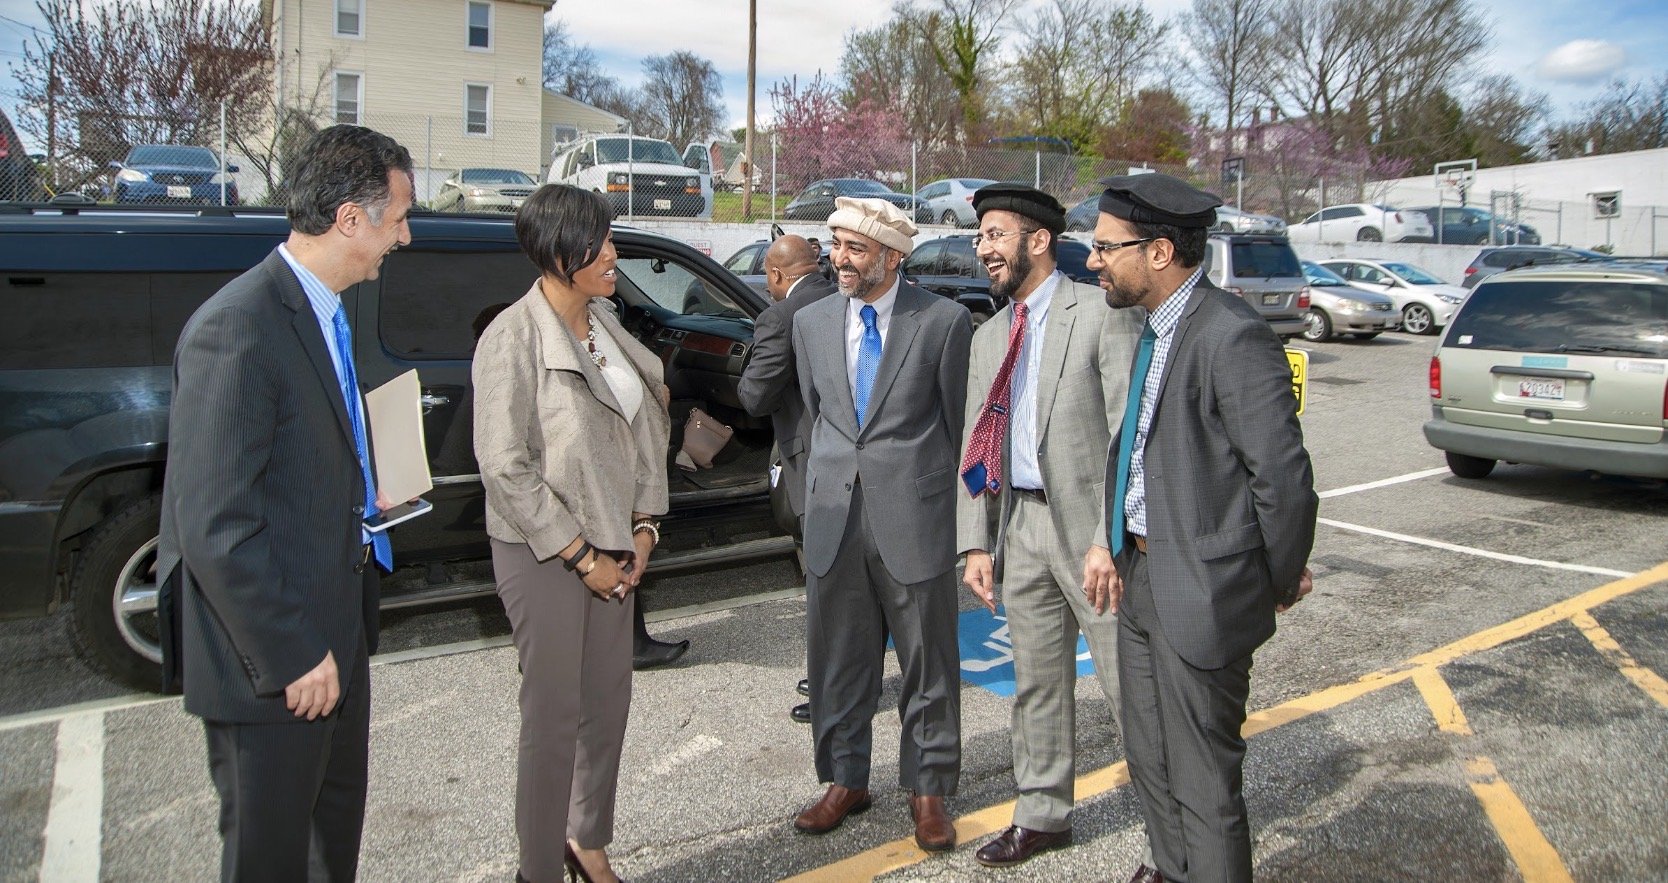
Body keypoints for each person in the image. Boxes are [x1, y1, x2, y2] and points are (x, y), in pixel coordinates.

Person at [155, 124, 413, 882]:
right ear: (349, 219)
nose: (405, 235)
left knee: (332, 850)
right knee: (269, 860)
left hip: (338, 632)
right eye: (398, 217)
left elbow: (303, 459)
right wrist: (293, 651)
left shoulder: (329, 311)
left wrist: (367, 491)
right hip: (274, 665)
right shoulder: (238, 326)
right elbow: (215, 523)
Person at [1087, 172, 1318, 883]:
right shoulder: (1153, 328)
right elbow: (1137, 451)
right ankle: (1171, 868)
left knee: (1205, 782)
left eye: (1104, 247)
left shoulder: (1231, 334)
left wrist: (1266, 582)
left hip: (1205, 591)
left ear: (1159, 251)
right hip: (1144, 576)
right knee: (1150, 760)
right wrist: (1115, 541)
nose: (1092, 260)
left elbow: (1283, 481)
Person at [472, 184, 671, 883]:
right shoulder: (512, 337)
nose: (614, 254)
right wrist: (580, 553)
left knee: (607, 701)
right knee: (554, 716)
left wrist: (644, 527)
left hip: (616, 542)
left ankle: (587, 839)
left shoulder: (608, 323)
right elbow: (504, 464)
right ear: (560, 255)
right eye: (601, 244)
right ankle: (537, 868)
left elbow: (644, 427)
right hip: (543, 551)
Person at [953, 184, 1143, 868]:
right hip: (1021, 528)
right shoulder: (987, 337)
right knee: (1035, 681)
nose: (984, 249)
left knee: (1130, 682)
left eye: (995, 234)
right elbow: (977, 447)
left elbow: (1127, 435)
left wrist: (1108, 536)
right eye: (980, 238)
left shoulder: (1097, 313)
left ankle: (1170, 834)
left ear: (1038, 240)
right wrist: (976, 538)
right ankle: (1042, 813)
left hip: (1091, 535)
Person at [789, 197, 973, 852]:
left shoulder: (945, 322)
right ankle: (845, 778)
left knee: (929, 661)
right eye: (835, 243)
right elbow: (820, 416)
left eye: (854, 248)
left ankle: (928, 789)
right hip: (835, 517)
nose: (838, 257)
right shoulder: (808, 323)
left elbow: (957, 424)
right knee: (838, 657)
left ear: (892, 257)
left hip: (915, 517)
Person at [737, 234, 838, 726]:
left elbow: (755, 396)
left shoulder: (779, 317)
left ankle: (833, 688)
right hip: (845, 461)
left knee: (823, 581)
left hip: (809, 466)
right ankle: (841, 671)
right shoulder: (842, 297)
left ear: (776, 276)